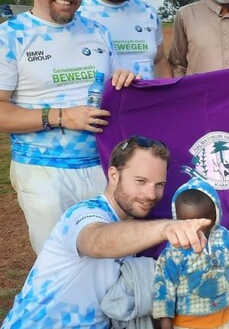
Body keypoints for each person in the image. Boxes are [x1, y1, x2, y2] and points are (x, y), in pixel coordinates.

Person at [0, 0, 137, 254]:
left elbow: (115, 93)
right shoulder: (10, 37)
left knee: (111, 261)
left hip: (103, 167)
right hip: (44, 173)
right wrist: (59, 116)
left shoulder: (98, 33)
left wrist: (125, 81)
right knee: (61, 264)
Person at [2, 136, 212, 328]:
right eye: (140, 181)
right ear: (113, 175)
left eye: (159, 184)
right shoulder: (83, 214)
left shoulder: (132, 225)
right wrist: (165, 228)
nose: (150, 194)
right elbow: (97, 241)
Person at [153, 177, 229, 329]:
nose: (192, 229)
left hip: (221, 316)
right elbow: (164, 283)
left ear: (214, 218)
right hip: (186, 321)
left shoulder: (225, 239)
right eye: (184, 222)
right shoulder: (173, 250)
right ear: (176, 219)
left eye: (200, 224)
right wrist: (165, 318)